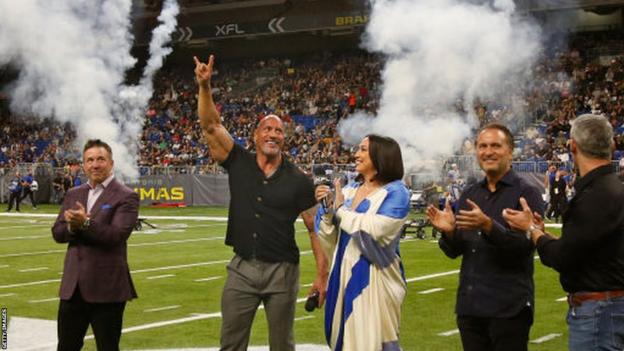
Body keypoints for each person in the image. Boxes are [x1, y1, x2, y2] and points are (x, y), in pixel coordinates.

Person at [194, 55, 328, 351]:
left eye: (279, 131)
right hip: (242, 266)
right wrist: (204, 86)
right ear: (255, 136)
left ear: (285, 139)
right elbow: (211, 126)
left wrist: (322, 276)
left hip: (282, 270)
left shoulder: (298, 179)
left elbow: (315, 229)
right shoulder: (238, 160)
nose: (273, 134)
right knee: (230, 343)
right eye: (267, 129)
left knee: (282, 345)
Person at [503, 114, 624, 351]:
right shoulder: (613, 188)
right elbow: (587, 246)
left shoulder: (594, 195)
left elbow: (562, 257)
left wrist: (532, 230)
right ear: (612, 145)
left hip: (598, 310)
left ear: (573, 146)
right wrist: (544, 234)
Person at [427, 123, 544, 351]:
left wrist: (489, 226)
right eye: (482, 146)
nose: (488, 151)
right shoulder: (471, 193)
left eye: (495, 145)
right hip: (470, 308)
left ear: (510, 151)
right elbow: (455, 251)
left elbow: (525, 246)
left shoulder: (526, 192)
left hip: (508, 308)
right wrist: (449, 232)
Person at [314, 134, 410, 351]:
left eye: (363, 150)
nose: (356, 154)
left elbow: (376, 230)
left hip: (377, 278)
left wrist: (340, 210)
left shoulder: (396, 193)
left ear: (381, 155)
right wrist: (328, 210)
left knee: (375, 343)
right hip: (343, 275)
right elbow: (328, 238)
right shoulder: (347, 192)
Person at [52, 139, 139, 351]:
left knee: (107, 347)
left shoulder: (126, 196)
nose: (95, 164)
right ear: (83, 165)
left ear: (111, 163)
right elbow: (57, 232)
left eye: (100, 159)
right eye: (89, 160)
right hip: (73, 288)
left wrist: (86, 223)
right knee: (66, 347)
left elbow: (116, 236)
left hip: (107, 288)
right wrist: (72, 228)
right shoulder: (74, 194)